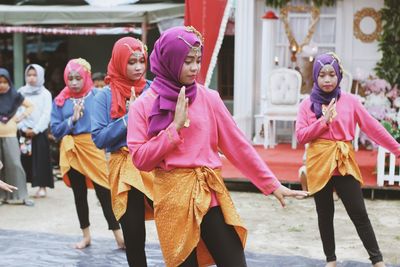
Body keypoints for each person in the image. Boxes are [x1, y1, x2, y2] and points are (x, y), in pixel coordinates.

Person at [127, 26, 307, 267]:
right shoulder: (144, 105)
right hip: (172, 199)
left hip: (209, 193)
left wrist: (271, 184)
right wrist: (174, 129)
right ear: (169, 59)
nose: (194, 67)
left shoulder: (208, 98)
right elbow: (140, 159)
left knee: (234, 262)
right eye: (187, 60)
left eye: (198, 60)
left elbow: (238, 145)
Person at [295, 52, 397, 267]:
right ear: (316, 76)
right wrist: (323, 122)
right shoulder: (306, 105)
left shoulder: (351, 101)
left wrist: (397, 150)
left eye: (332, 74)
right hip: (318, 162)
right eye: (322, 75)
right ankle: (330, 259)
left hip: (343, 161)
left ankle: (377, 260)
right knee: (325, 214)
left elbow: (373, 128)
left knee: (359, 212)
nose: (327, 80)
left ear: (339, 75)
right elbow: (301, 135)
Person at [91, 37, 154, 266]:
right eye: (131, 62)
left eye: (141, 61)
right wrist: (129, 118)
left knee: (176, 225)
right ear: (119, 62)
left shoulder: (152, 90)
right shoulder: (104, 96)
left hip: (153, 165)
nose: (138, 67)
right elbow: (99, 138)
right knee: (134, 235)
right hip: (123, 169)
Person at [50, 58, 124, 249]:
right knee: (79, 194)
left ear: (86, 77)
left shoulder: (97, 96)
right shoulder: (60, 100)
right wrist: (71, 120)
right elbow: (56, 131)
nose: (74, 82)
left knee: (104, 193)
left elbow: (108, 122)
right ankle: (86, 235)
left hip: (93, 147)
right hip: (72, 150)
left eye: (78, 78)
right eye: (70, 78)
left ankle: (119, 236)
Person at [18, 64, 53, 198]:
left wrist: (36, 129)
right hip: (23, 132)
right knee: (22, 160)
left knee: (41, 160)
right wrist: (22, 127)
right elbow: (17, 111)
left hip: (39, 132)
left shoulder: (45, 93)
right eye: (29, 75)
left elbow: (46, 113)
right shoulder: (20, 92)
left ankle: (42, 187)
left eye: (34, 75)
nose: (31, 78)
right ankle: (22, 188)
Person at [0, 68, 34, 206]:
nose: (1, 85)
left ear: (9, 82)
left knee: (15, 164)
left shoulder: (15, 95)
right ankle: (2, 197)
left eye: (4, 82)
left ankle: (22, 195)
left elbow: (30, 106)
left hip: (10, 135)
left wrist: (20, 117)